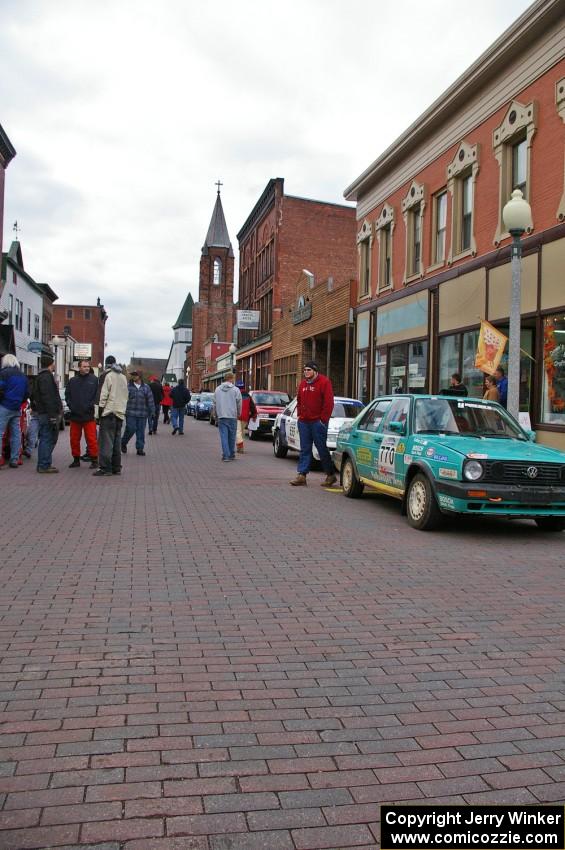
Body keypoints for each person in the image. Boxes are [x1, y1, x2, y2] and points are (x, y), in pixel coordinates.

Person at [290, 360, 336, 487]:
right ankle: (302, 475)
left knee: (321, 448)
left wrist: (323, 420)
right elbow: (298, 399)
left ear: (315, 371)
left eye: (309, 370)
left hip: (318, 422)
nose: (306, 372)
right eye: (304, 370)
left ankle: (330, 474)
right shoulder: (303, 384)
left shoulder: (324, 382)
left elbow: (329, 403)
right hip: (304, 421)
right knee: (305, 448)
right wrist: (299, 414)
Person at [94, 355, 128, 476]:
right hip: (120, 413)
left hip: (108, 413)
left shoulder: (106, 376)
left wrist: (99, 414)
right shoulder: (124, 378)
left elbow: (102, 396)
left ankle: (105, 468)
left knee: (105, 442)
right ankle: (116, 467)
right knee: (116, 442)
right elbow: (125, 396)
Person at [65, 359, 99, 468]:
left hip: (88, 415)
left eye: (88, 366)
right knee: (74, 439)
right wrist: (71, 406)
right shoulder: (72, 381)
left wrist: (90, 405)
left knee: (91, 439)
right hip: (75, 415)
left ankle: (94, 460)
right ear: (79, 367)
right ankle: (76, 460)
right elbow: (67, 395)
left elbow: (96, 395)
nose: (87, 368)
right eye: (84, 366)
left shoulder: (94, 380)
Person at [33, 353, 63, 473]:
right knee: (48, 438)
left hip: (43, 412)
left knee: (46, 437)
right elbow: (48, 397)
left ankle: (43, 463)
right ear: (50, 364)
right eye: (53, 362)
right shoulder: (46, 377)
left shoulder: (40, 377)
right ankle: (44, 464)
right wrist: (52, 416)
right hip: (47, 413)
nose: (55, 364)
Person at [0, 353, 29, 469]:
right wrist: (19, 402)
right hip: (17, 408)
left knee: (0, 433)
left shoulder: (3, 374)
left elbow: (0, 389)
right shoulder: (23, 376)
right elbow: (27, 393)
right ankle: (15, 459)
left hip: (4, 406)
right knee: (16, 434)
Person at [121, 371, 155, 456]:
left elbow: (150, 400)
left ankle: (140, 448)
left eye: (135, 375)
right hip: (130, 413)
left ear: (139, 376)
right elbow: (123, 399)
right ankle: (123, 442)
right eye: (132, 375)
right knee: (130, 429)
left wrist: (153, 411)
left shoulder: (146, 387)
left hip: (142, 413)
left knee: (140, 432)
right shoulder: (128, 387)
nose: (133, 376)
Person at [214, 371, 242, 461]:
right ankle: (231, 454)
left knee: (224, 436)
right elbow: (239, 403)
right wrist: (238, 413)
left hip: (222, 415)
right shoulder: (235, 390)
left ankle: (226, 455)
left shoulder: (217, 389)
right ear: (231, 379)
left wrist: (216, 414)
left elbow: (214, 403)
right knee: (232, 436)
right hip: (232, 415)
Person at [235, 380, 257, 453]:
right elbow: (252, 406)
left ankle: (241, 447)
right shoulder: (248, 395)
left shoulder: (235, 394)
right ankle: (239, 448)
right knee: (241, 432)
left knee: (238, 432)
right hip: (245, 417)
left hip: (237, 416)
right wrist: (254, 415)